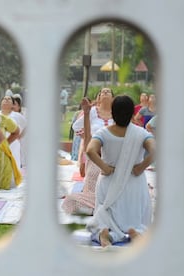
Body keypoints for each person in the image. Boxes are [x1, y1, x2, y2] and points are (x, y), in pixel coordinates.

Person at [86, 95, 154, 247]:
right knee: (136, 215)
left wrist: (104, 167)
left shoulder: (103, 133)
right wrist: (141, 167)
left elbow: (90, 151)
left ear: (112, 113)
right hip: (134, 182)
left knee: (107, 211)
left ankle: (105, 232)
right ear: (132, 114)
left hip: (109, 181)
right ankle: (135, 231)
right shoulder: (141, 133)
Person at [62, 87, 114, 215]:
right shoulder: (92, 112)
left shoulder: (118, 113)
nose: (105, 93)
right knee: (69, 201)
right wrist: (86, 113)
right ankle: (100, 208)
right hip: (94, 156)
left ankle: (104, 207)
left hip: (113, 158)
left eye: (109, 92)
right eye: (102, 91)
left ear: (113, 98)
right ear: (99, 98)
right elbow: (77, 128)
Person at [0, 95, 27, 169]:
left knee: (13, 165)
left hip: (13, 145)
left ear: (12, 104)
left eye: (9, 99)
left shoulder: (17, 116)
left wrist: (20, 135)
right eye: (4, 99)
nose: (6, 100)